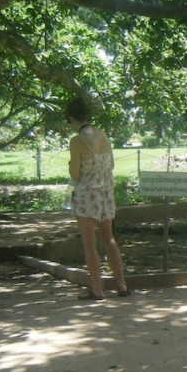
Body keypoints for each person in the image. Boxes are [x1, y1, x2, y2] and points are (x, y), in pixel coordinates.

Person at [65, 97, 131, 300]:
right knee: (109, 239)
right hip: (106, 194)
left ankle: (97, 289)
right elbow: (111, 165)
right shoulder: (103, 135)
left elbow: (75, 174)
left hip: (87, 195)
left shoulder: (77, 141)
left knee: (89, 243)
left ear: (72, 119)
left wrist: (70, 164)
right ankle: (121, 284)